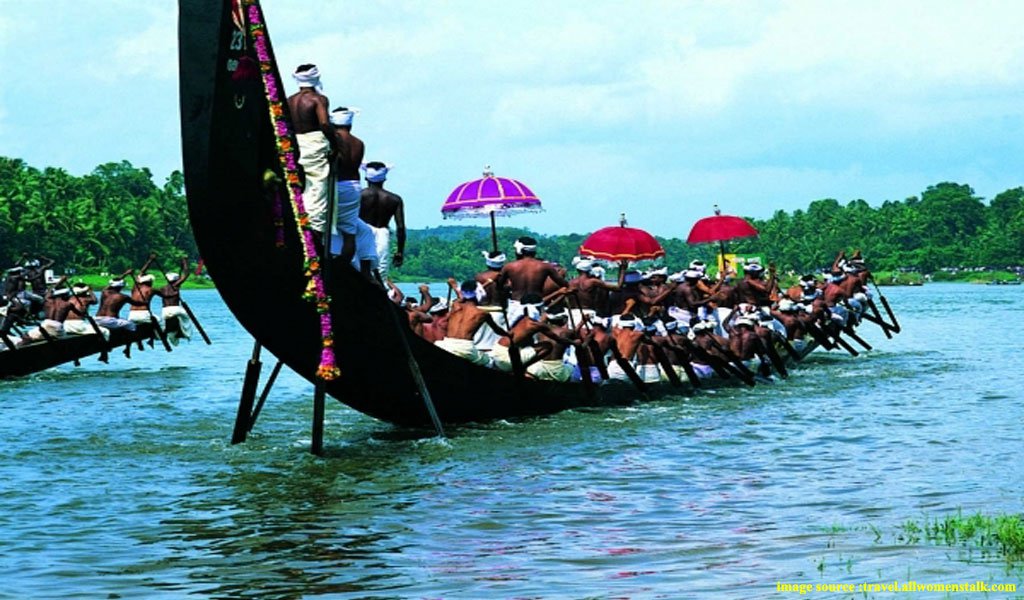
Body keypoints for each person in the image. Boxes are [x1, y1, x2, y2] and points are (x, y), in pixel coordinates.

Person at [288, 64, 334, 248]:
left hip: (295, 146)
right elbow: (324, 123)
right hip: (314, 144)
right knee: (317, 191)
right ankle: (314, 242)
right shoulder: (318, 99)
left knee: (298, 187)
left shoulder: (289, 100)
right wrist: (335, 144)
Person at [434, 280, 508, 366]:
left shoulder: (455, 305)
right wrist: (508, 335)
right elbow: (498, 330)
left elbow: (461, 297)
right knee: (491, 363)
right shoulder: (482, 314)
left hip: (445, 344)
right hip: (465, 348)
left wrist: (454, 286)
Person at [329, 106, 365, 266]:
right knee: (349, 232)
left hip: (336, 185)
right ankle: (343, 266)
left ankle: (325, 263)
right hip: (354, 186)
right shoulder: (359, 143)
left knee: (322, 226)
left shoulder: (332, 140)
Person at [496, 237, 569, 314]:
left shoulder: (509, 266)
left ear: (519, 250)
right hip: (537, 305)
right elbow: (566, 285)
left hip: (516, 306)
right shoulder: (545, 266)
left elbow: (499, 287)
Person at [359, 161, 405, 280]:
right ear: (384, 179)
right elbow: (400, 227)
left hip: (362, 232)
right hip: (383, 234)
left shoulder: (359, 195)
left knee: (360, 268)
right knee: (381, 270)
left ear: (366, 178)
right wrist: (400, 251)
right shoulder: (394, 199)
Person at [158, 259, 194, 345]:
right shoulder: (176, 286)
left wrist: (181, 268)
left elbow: (181, 275)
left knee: (169, 321)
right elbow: (186, 274)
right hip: (176, 309)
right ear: (175, 280)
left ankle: (173, 335)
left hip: (164, 311)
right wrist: (185, 262)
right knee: (186, 318)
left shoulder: (162, 288)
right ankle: (186, 334)